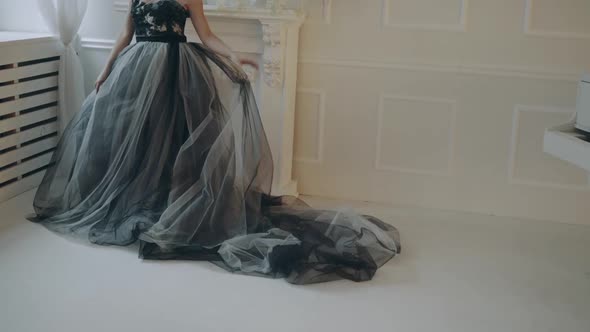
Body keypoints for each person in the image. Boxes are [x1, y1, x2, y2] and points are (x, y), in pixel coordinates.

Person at [26, 0, 401, 285]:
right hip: (138, 72)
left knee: (181, 146)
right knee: (139, 146)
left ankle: (175, 210)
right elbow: (124, 36)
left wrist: (233, 56)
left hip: (178, 73)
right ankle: (148, 204)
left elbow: (206, 36)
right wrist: (105, 72)